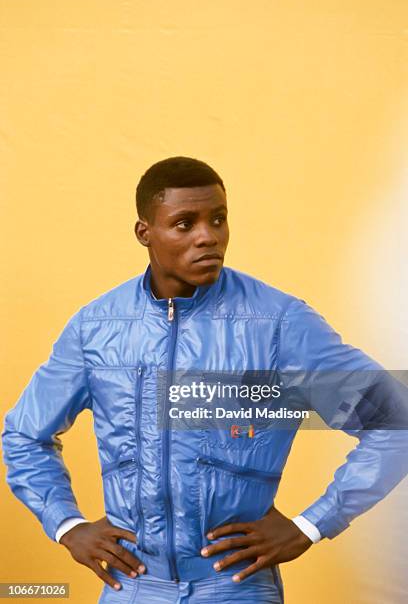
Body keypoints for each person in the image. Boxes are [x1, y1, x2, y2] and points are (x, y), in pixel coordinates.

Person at [2, 156, 408, 604]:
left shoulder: (277, 324)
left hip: (235, 586)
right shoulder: (97, 326)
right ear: (145, 233)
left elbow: (394, 421)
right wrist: (67, 524)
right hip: (132, 587)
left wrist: (313, 524)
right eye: (184, 224)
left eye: (218, 219)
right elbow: (24, 435)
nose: (208, 236)